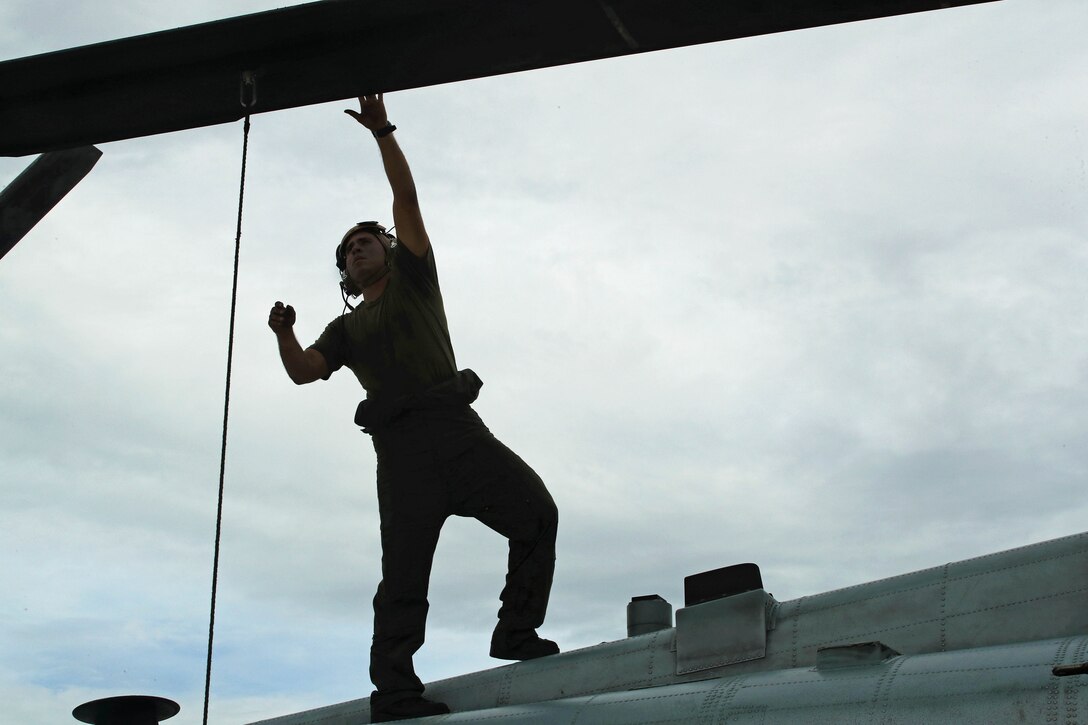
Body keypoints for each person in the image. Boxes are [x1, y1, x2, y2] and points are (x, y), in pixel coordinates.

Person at [267, 94, 559, 723]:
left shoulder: (417, 280)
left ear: (390, 249)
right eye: (348, 250)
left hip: (455, 429)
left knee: (536, 512)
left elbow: (407, 200)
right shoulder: (345, 329)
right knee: (401, 578)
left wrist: (382, 134)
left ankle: (515, 632)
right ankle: (396, 691)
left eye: (366, 241)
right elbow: (304, 373)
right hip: (401, 455)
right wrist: (283, 335)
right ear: (345, 271)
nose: (357, 250)